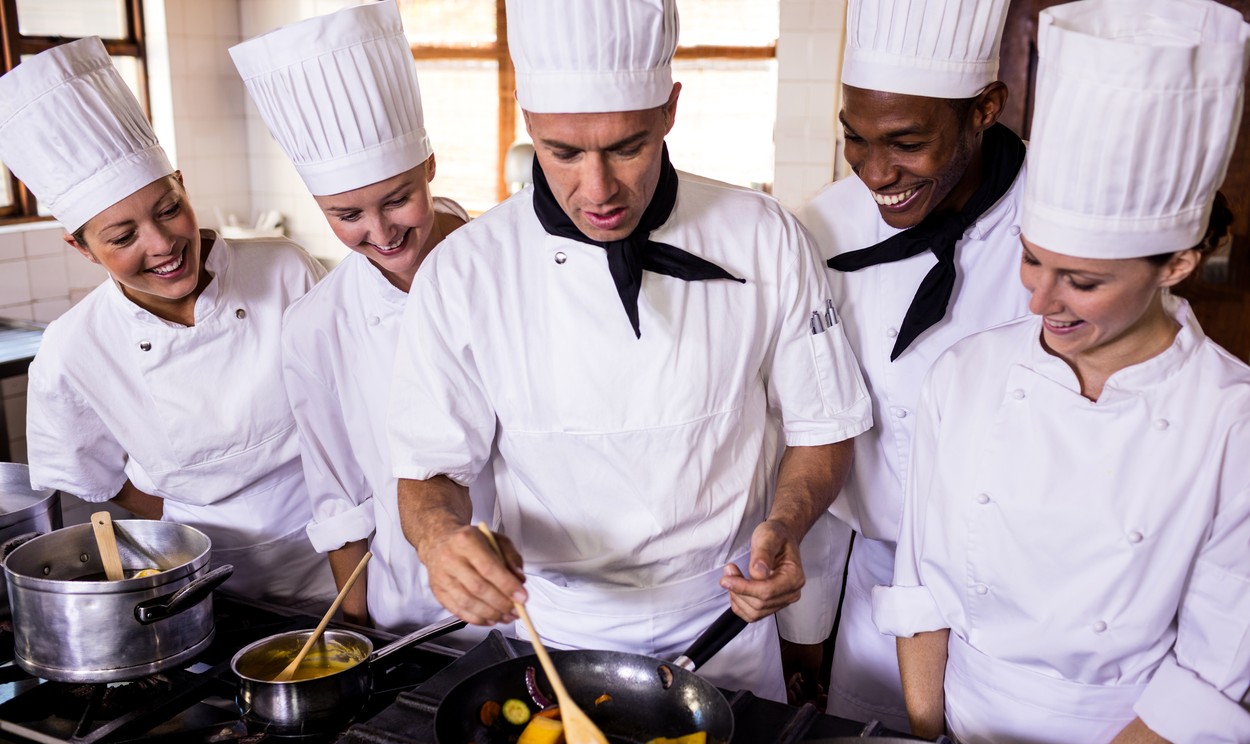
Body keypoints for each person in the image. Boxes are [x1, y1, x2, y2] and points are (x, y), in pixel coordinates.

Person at [388, 0, 871, 702]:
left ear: (671, 109)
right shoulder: (465, 273)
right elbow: (427, 473)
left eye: (626, 147)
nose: (599, 189)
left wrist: (787, 523)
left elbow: (823, 429)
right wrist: (437, 538)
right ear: (529, 125)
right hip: (555, 638)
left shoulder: (764, 235)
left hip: (726, 623)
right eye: (564, 153)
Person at [874, 0, 1250, 744]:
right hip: (959, 740)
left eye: (1081, 280)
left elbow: (1214, 673)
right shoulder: (968, 371)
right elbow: (921, 589)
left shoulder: (1231, 420)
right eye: (1031, 258)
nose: (1039, 301)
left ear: (1175, 264)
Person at [0, 37, 336, 610]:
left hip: (341, 561)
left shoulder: (283, 268)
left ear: (181, 182)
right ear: (82, 249)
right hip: (201, 584)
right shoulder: (72, 348)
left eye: (168, 208)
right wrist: (194, 514)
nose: (162, 246)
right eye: (123, 237)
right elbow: (96, 479)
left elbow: (348, 406)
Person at [796, 0, 1030, 729]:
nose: (874, 169)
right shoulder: (823, 227)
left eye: (905, 141)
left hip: (1031, 601)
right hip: (879, 599)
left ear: (985, 107)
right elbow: (816, 430)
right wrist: (804, 638)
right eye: (854, 139)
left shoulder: (1059, 238)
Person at [230, 1, 492, 634]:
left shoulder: (511, 262)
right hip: (416, 610)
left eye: (399, 199)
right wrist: (359, 631)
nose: (380, 231)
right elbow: (338, 491)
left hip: (551, 597)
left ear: (429, 167)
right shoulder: (316, 324)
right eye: (347, 215)